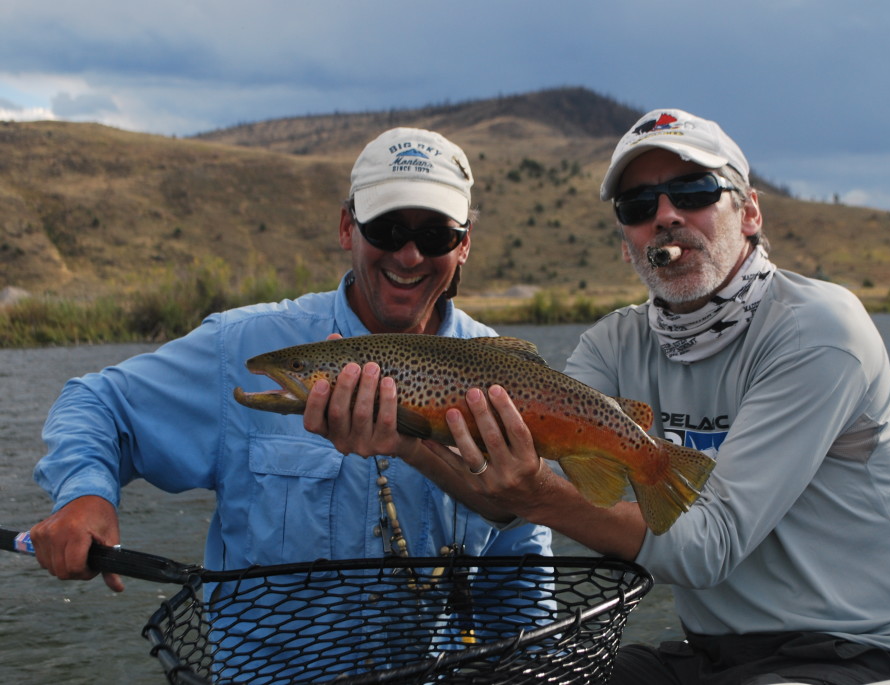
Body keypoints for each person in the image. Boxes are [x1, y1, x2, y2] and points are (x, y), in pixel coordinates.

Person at [338, 109, 890, 684]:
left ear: (750, 212)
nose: (666, 215)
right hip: (718, 653)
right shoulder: (616, 344)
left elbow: (707, 545)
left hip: (874, 649)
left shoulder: (818, 329)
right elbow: (507, 500)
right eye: (639, 205)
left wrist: (537, 493)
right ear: (627, 242)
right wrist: (409, 443)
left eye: (695, 192)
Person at [29, 127, 551, 679]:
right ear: (347, 226)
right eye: (387, 227)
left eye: (436, 235)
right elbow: (96, 404)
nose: (409, 253)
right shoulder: (247, 347)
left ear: (465, 242)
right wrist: (85, 495)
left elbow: (520, 568)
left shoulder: (505, 377)